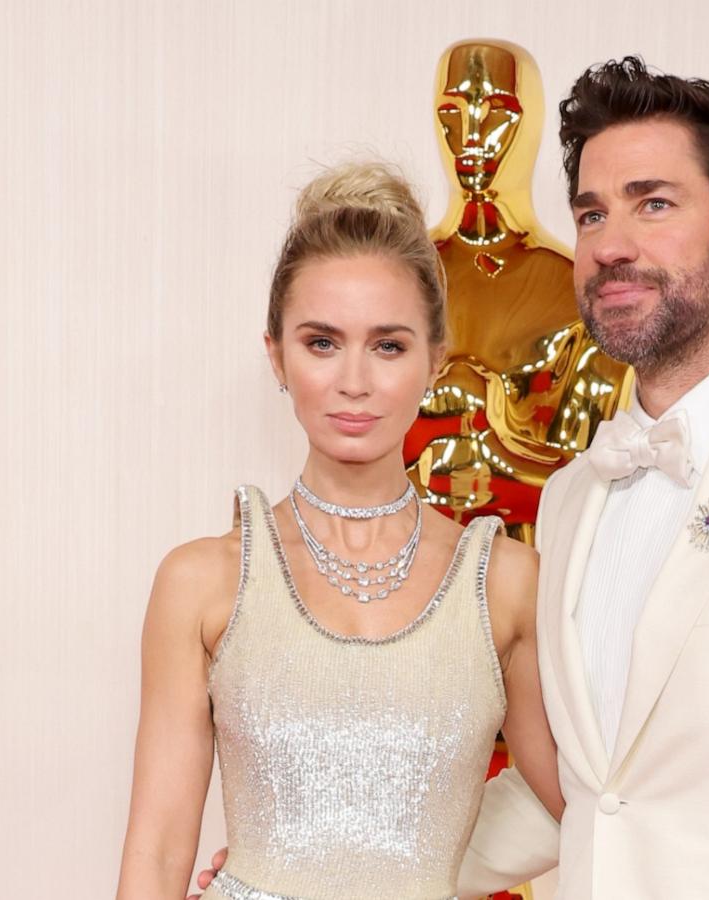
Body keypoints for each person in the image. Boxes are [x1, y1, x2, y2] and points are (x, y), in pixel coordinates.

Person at [202, 57, 709, 900]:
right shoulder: (572, 500)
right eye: (592, 214)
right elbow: (586, 794)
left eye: (653, 204)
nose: (612, 245)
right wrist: (312, 860)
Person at [114, 162, 563, 900]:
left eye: (388, 345)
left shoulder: (504, 581)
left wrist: (433, 874)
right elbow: (159, 851)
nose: (354, 379)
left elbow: (582, 802)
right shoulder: (201, 582)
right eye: (322, 342)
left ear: (434, 361)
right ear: (277, 357)